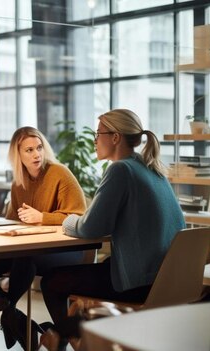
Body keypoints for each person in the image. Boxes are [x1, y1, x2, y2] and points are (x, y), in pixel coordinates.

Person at [39, 109, 185, 351]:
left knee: (53, 281)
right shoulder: (152, 168)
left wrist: (67, 220)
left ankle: (73, 339)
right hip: (165, 278)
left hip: (140, 283)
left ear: (115, 137)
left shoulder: (120, 170)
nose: (95, 140)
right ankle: (66, 336)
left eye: (98, 134)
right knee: (93, 270)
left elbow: (90, 228)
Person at [0, 126, 87, 350]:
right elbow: (14, 221)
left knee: (24, 257)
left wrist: (43, 217)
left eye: (39, 148)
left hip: (65, 250)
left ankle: (10, 313)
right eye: (29, 150)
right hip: (31, 249)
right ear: (18, 155)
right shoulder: (18, 183)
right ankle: (16, 319)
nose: (36, 154)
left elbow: (79, 216)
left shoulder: (59, 174)